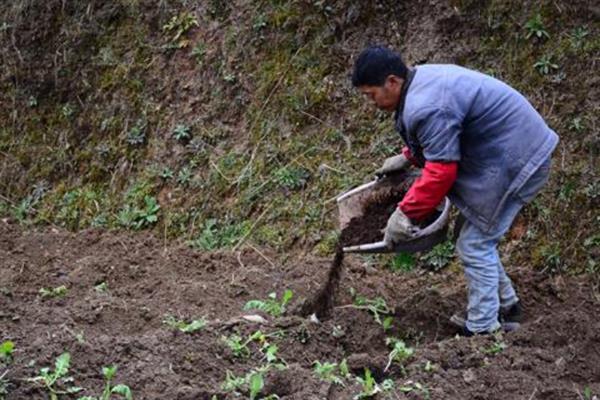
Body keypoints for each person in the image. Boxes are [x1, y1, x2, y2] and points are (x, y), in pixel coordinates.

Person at [351, 45, 559, 336]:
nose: (370, 102)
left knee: (474, 243)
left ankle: (484, 328)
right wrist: (409, 156)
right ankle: (506, 304)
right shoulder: (419, 81)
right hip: (507, 153)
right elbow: (443, 136)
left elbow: (441, 171)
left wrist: (406, 213)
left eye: (370, 95)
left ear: (392, 82)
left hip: (520, 160)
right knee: (471, 235)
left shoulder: (425, 104)